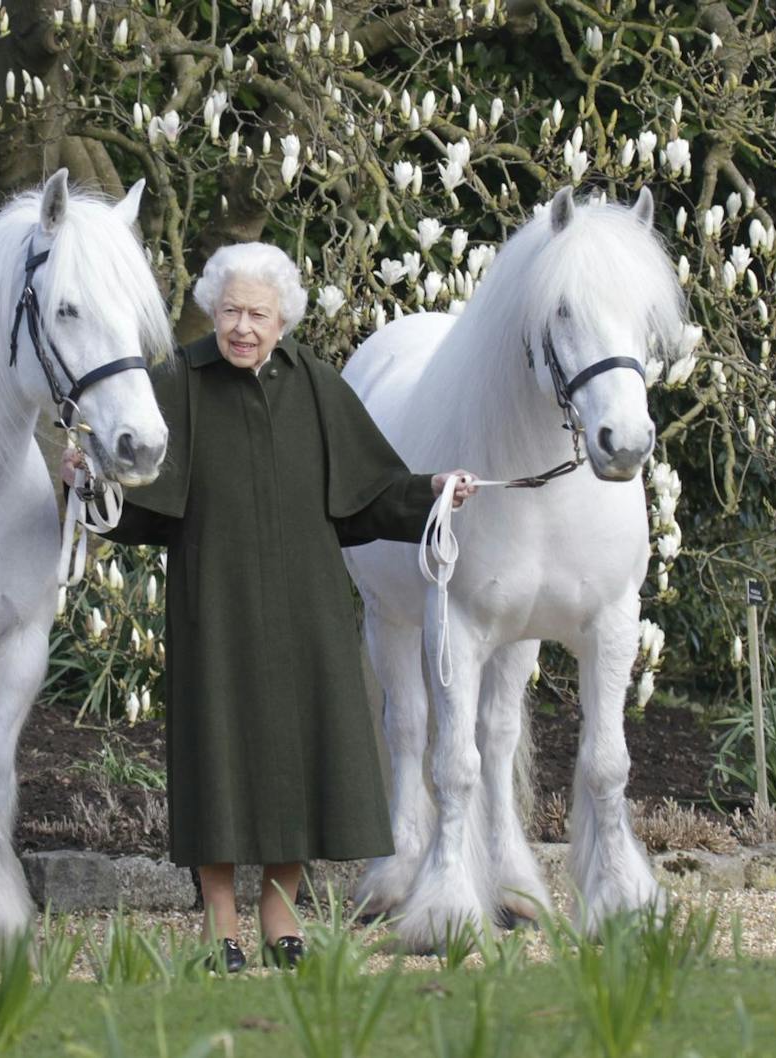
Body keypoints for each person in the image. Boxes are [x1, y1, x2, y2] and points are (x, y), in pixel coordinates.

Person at [65, 242, 475, 972]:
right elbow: (136, 503)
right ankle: (220, 913)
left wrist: (436, 490)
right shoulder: (178, 383)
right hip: (212, 604)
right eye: (229, 312)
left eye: (257, 313)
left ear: (283, 318)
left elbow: (372, 493)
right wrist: (87, 482)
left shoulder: (317, 386)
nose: (242, 327)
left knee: (300, 754)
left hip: (307, 606)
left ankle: (279, 906)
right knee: (217, 755)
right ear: (211, 313)